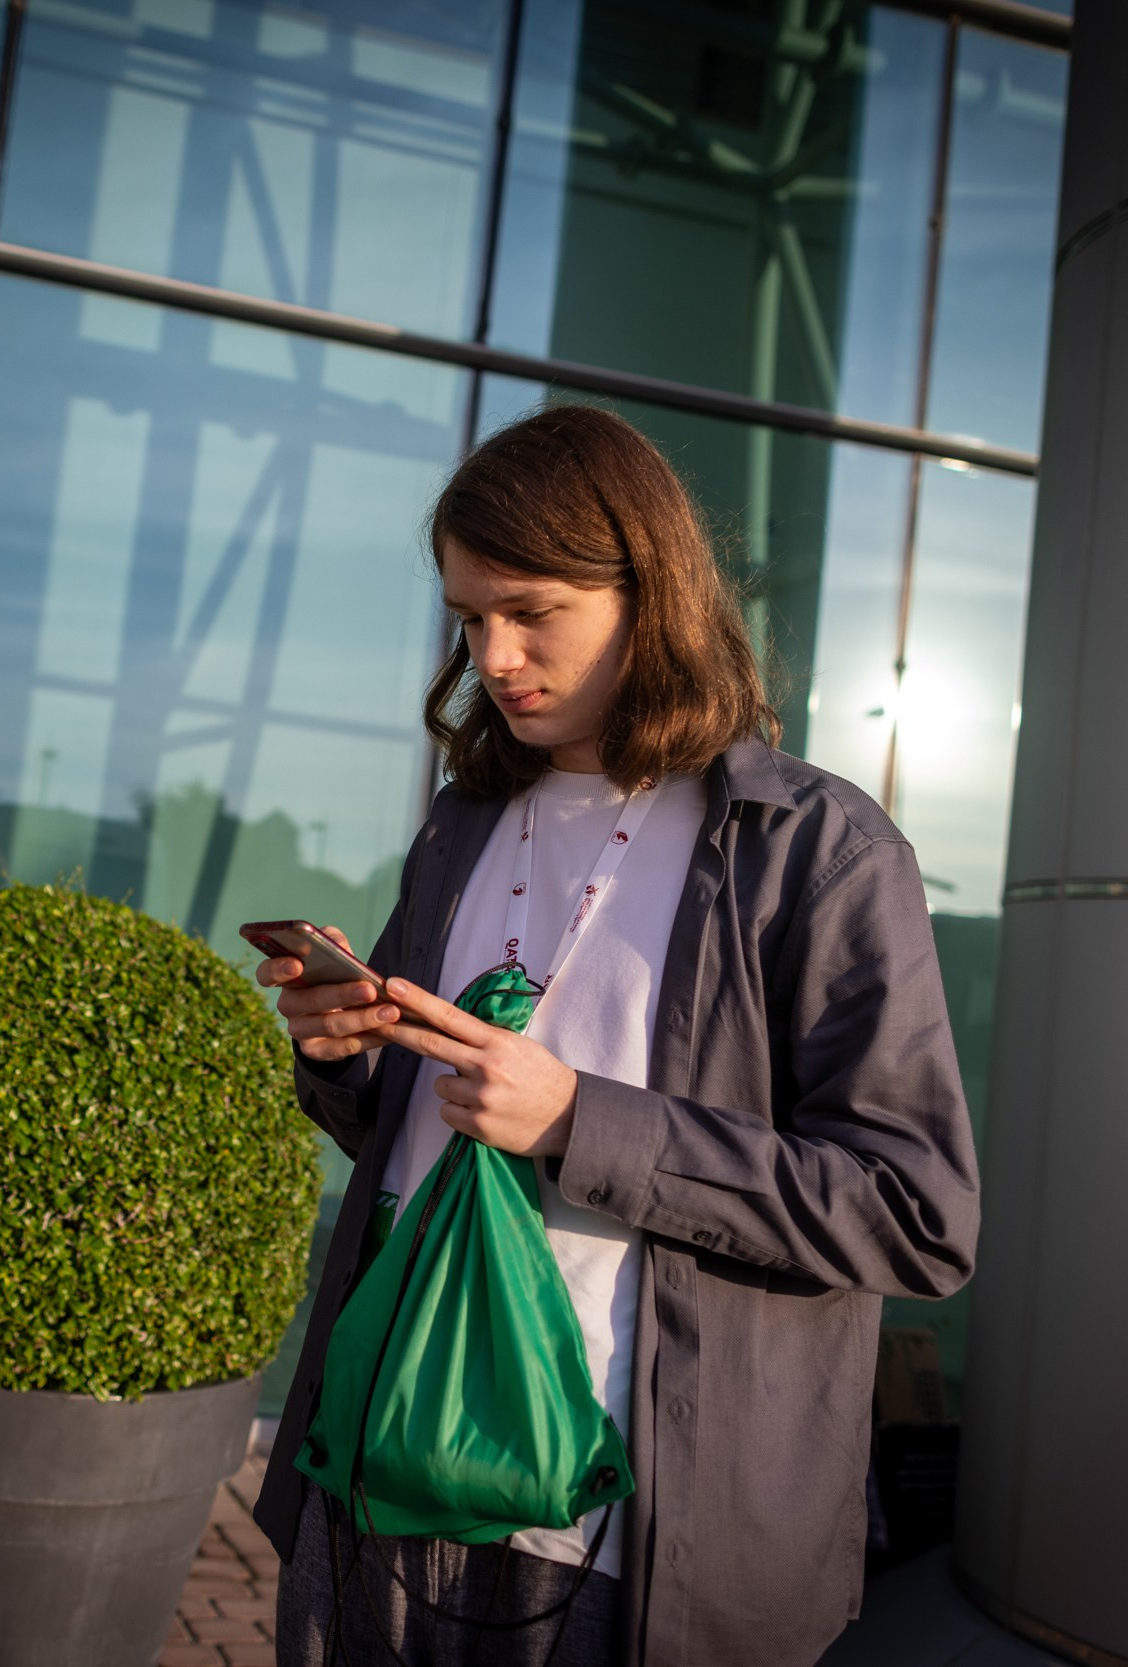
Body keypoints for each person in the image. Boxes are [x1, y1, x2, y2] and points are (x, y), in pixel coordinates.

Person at [251, 407, 979, 1667]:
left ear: (653, 591)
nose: (496, 653)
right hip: (379, 1467)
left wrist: (584, 1121)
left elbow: (912, 1212)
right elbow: (411, 1126)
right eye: (469, 615)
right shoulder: (464, 822)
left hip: (627, 1537)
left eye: (533, 609)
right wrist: (341, 1053)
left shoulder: (816, 849)